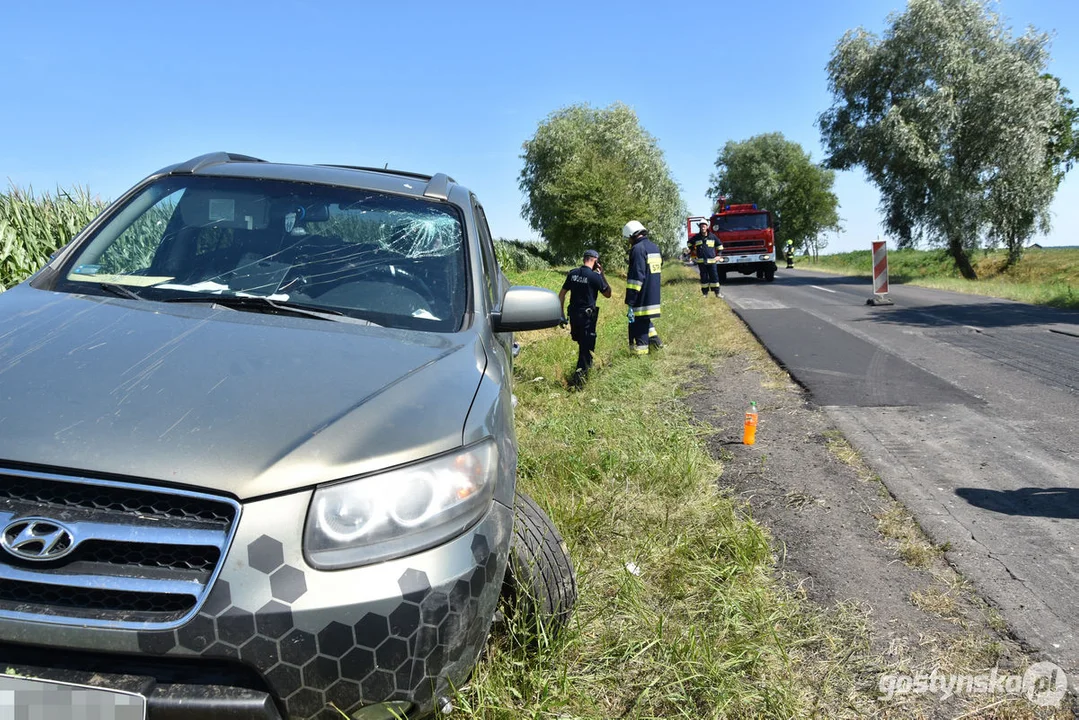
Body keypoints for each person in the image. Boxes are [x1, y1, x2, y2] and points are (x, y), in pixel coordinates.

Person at [559, 249, 612, 388]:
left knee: (582, 345)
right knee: (587, 347)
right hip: (587, 318)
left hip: (574, 317)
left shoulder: (573, 274)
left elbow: (562, 294)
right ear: (595, 261)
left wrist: (561, 315)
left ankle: (580, 376)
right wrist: (603, 275)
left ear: (584, 259)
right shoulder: (595, 277)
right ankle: (580, 381)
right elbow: (608, 294)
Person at [622, 220, 663, 355]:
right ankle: (657, 344)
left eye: (628, 238)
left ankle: (641, 360)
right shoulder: (654, 247)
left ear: (632, 234)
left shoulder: (637, 249)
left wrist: (631, 299)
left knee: (639, 327)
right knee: (646, 322)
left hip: (642, 297)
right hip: (653, 295)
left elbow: (636, 277)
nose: (628, 241)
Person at [689, 220, 722, 297]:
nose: (702, 227)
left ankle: (717, 293)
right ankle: (705, 294)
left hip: (712, 262)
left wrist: (719, 255)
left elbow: (720, 246)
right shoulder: (696, 237)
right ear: (699, 227)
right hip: (702, 262)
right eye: (701, 226)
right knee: (704, 278)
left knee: (714, 277)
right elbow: (689, 243)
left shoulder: (713, 236)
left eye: (704, 226)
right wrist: (693, 250)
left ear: (707, 227)